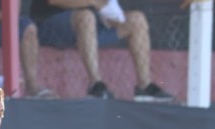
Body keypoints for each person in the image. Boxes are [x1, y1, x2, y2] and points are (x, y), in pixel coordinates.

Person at [29, 0, 174, 101]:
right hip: (51, 24)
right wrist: (92, 2)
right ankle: (96, 84)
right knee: (86, 16)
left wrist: (113, 16)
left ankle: (144, 85)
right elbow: (55, 1)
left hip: (93, 28)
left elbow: (108, 7)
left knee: (137, 19)